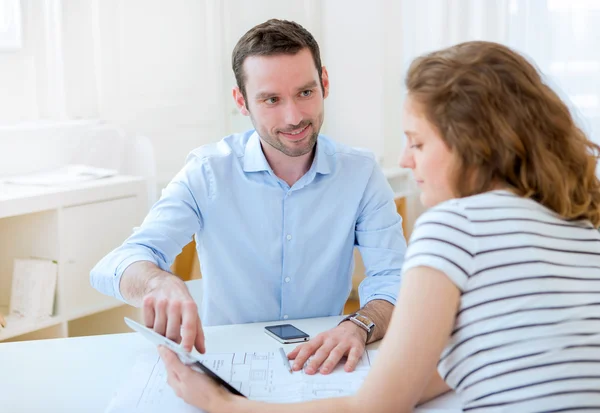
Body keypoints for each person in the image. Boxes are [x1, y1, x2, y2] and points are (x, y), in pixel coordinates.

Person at [158, 40, 600, 412]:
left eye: (417, 142)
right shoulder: (581, 226)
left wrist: (223, 405)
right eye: (271, 98)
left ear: (475, 145)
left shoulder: (454, 227)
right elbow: (444, 370)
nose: (406, 160)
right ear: (244, 102)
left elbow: (375, 407)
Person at [90, 18, 406, 375]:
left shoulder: (361, 174)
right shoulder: (208, 172)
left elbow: (392, 276)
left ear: (325, 83)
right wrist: (157, 281)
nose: (294, 116)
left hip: (324, 361)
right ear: (242, 101)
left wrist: (360, 325)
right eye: (271, 99)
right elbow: (116, 263)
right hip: (227, 362)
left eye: (305, 92)